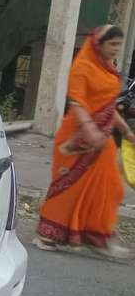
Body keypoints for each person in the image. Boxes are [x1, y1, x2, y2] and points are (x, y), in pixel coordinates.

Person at [33, 24, 135, 258]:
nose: (116, 49)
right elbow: (77, 104)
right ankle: (47, 233)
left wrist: (127, 132)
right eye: (113, 44)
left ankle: (97, 235)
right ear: (99, 43)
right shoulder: (82, 66)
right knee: (69, 189)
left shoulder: (109, 68)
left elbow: (109, 105)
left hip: (103, 140)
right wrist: (89, 130)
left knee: (110, 188)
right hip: (76, 139)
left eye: (119, 44)